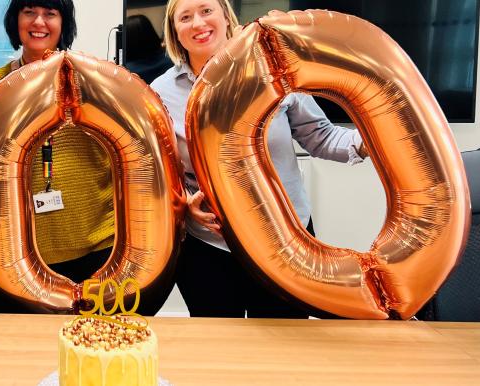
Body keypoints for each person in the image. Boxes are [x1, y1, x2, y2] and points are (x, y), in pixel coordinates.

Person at [150, 0, 368, 318]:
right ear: (175, 32)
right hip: (210, 247)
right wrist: (184, 204)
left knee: (286, 342)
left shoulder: (272, 69)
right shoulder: (161, 92)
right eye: (185, 17)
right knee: (222, 348)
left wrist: (373, 140)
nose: (198, 23)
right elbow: (158, 172)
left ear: (226, 16)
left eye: (206, 10)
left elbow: (322, 137)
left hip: (287, 239)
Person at [0, 0, 114, 310]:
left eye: (50, 13)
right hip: (17, 253)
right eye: (29, 11)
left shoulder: (94, 81)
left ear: (64, 23)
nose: (39, 22)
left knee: (92, 347)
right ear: (15, 21)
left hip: (97, 247)